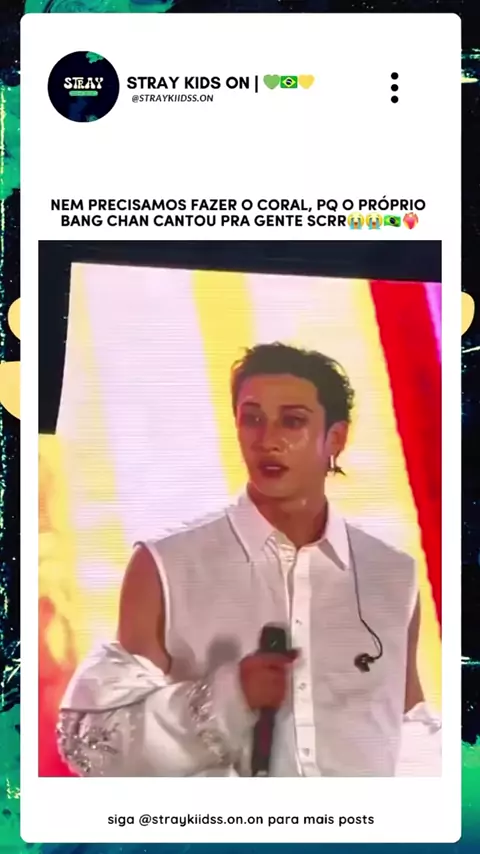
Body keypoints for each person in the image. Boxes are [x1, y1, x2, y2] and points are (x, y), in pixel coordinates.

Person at [56, 342, 441, 777]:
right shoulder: (164, 565)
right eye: (252, 419)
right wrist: (230, 697)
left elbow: (410, 728)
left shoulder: (392, 574)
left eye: (292, 421)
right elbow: (97, 744)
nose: (267, 441)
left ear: (335, 437)